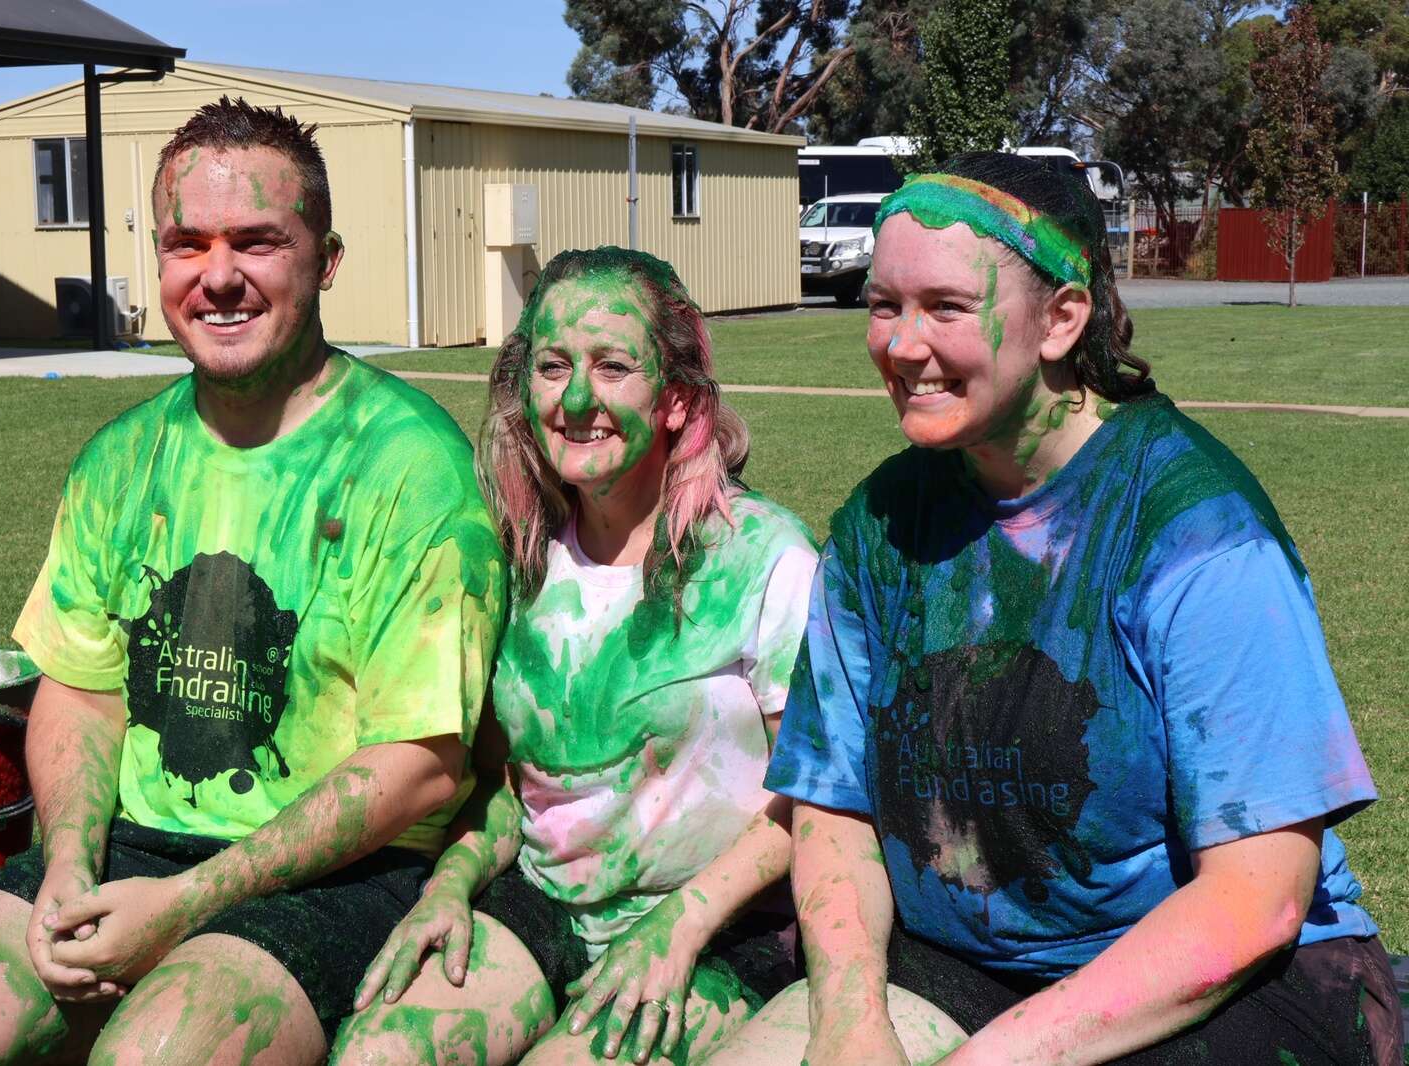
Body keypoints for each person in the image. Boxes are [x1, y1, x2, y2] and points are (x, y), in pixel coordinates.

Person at [0, 96, 506, 1065]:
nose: (219, 276)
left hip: (347, 872)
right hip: (134, 846)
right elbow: (79, 690)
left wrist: (190, 902)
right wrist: (68, 862)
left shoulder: (410, 466)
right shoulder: (121, 459)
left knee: (163, 1051)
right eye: (187, 243)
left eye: (258, 242)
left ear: (325, 260)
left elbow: (423, 766)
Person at [742, 152, 1403, 1066]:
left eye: (944, 306)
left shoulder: (1196, 533)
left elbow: (1260, 898)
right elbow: (833, 809)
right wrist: (850, 1022)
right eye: (883, 304)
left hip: (1243, 980)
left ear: (1061, 319)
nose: (900, 344)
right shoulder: (878, 526)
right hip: (966, 961)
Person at [334, 248, 962, 1066]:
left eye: (613, 366)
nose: (578, 398)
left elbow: (816, 800)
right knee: (378, 1052)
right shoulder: (520, 558)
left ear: (674, 399)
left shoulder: (763, 561)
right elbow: (503, 786)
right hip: (546, 903)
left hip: (721, 930)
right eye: (553, 367)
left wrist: (683, 923)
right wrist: (448, 885)